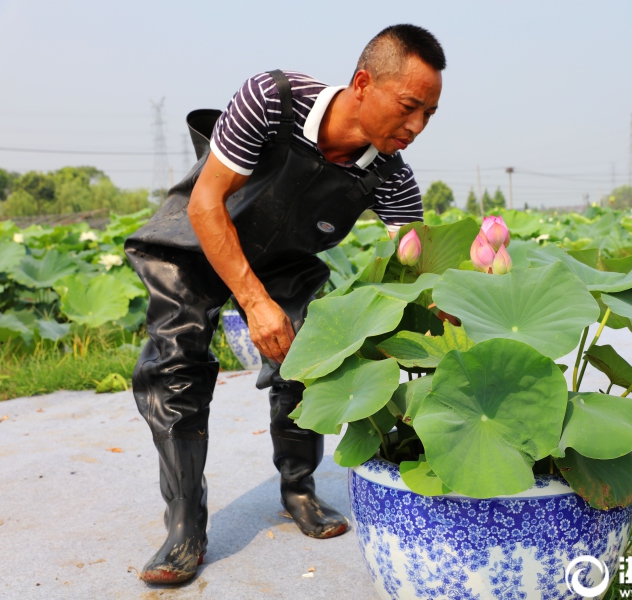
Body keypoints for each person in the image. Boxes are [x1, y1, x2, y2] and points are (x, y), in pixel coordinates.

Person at [124, 24, 445, 584]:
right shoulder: (272, 98)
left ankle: (299, 489)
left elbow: (417, 267)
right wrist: (253, 302)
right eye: (409, 107)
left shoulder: (392, 175)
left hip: (286, 259)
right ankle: (185, 526)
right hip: (197, 239)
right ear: (364, 83)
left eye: (429, 115)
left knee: (309, 361)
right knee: (175, 369)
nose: (416, 126)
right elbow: (206, 204)